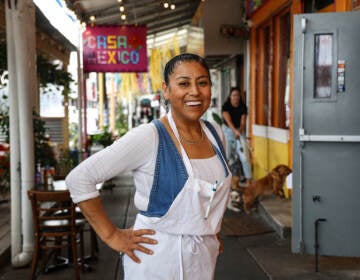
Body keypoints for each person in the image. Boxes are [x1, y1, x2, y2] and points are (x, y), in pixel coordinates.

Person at [65, 53, 232, 279]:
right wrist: (112, 235)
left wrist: (211, 230)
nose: (195, 91)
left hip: (202, 258)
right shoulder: (150, 137)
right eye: (184, 83)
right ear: (166, 89)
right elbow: (80, 178)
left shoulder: (215, 133)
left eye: (202, 83)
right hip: (158, 258)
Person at [221, 87, 252, 185]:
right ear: (230, 97)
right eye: (234, 95)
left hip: (240, 131)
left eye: (237, 95)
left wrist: (240, 131)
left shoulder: (243, 107)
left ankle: (249, 182)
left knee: (245, 157)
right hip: (228, 131)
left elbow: (243, 122)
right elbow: (228, 121)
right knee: (227, 156)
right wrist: (235, 131)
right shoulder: (226, 106)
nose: (236, 97)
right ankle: (226, 181)